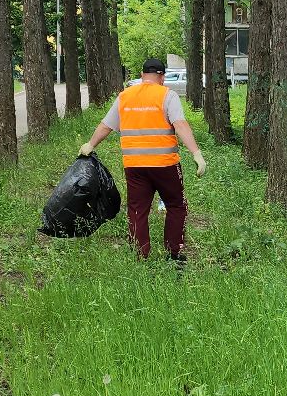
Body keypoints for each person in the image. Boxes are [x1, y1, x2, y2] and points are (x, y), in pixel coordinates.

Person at [79, 58, 207, 261]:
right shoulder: (168, 95)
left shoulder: (125, 96)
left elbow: (106, 126)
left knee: (137, 209)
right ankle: (174, 253)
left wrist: (90, 145)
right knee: (176, 205)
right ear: (162, 77)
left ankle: (140, 255)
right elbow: (180, 125)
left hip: (135, 165)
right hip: (165, 165)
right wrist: (196, 153)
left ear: (142, 75)